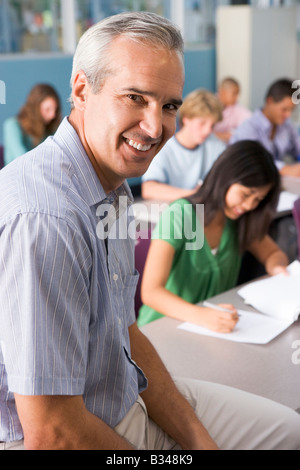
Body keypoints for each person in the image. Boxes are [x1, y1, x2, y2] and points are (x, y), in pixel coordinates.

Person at [0, 12, 300, 451]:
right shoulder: (47, 218)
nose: (156, 127)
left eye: (169, 106)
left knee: (287, 432)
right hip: (74, 430)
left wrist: (200, 440)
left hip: (123, 396)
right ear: (82, 90)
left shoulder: (116, 190)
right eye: (135, 98)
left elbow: (124, 332)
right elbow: (53, 433)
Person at [138, 140, 288, 331]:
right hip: (161, 328)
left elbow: (273, 254)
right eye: (245, 194)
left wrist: (277, 268)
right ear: (226, 179)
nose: (250, 205)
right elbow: (151, 292)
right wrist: (201, 316)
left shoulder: (240, 220)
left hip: (210, 329)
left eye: (257, 199)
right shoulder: (181, 214)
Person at [141, 89, 225, 202]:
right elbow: (149, 189)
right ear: (186, 119)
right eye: (202, 123)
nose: (207, 131)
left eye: (212, 125)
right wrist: (196, 194)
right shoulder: (163, 148)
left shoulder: (215, 145)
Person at [230, 78, 300, 177]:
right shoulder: (248, 128)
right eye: (284, 109)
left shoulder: (286, 125)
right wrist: (285, 169)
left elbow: (297, 147)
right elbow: (253, 161)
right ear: (270, 101)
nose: (288, 115)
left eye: (291, 110)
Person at [3, 83, 61, 165]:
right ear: (35, 108)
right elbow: (21, 158)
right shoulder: (12, 125)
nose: (52, 115)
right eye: (48, 109)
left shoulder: (49, 131)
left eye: (55, 110)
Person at [214, 77, 252, 143]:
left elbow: (251, 122)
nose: (237, 97)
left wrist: (232, 134)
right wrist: (225, 135)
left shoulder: (236, 108)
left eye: (238, 94)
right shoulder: (208, 105)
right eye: (234, 94)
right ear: (222, 92)